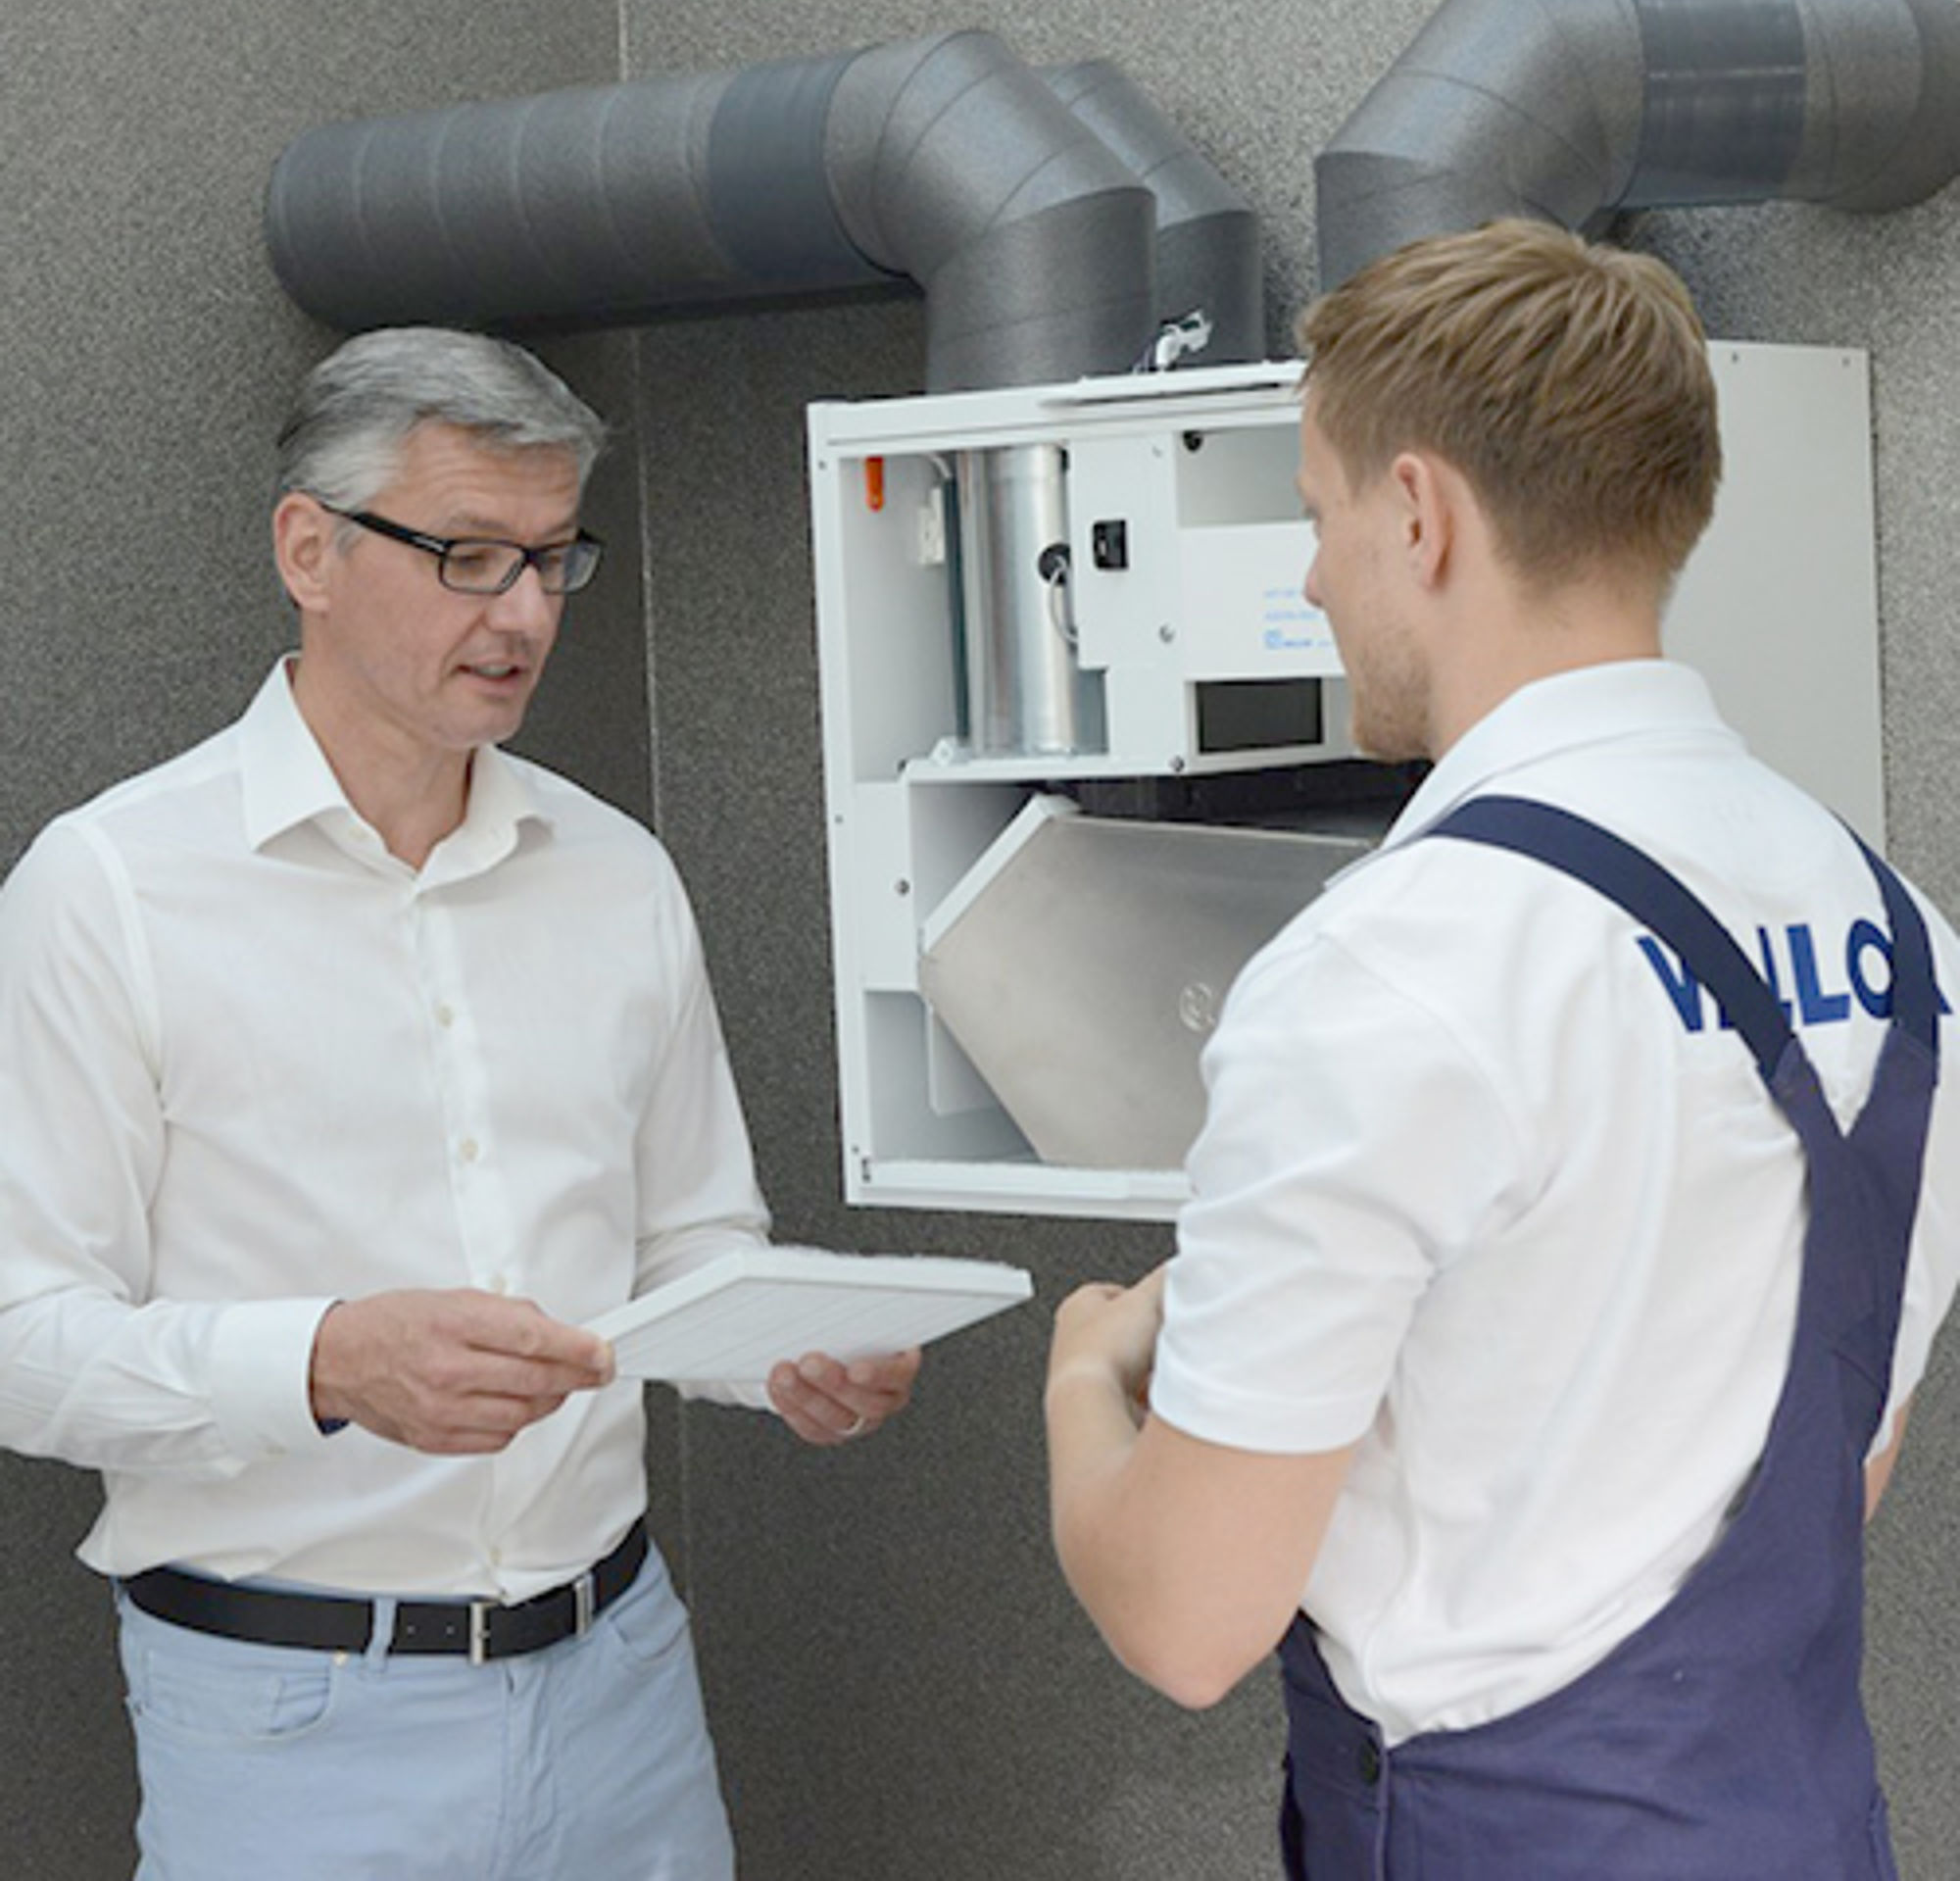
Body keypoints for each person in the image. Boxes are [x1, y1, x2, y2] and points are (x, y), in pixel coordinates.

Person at [1044, 219, 1960, 1878]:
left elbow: (1186, 1619)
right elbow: (1829, 1461)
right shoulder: (1909, 939)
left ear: (1419, 515)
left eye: (1317, 516)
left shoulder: (1386, 971)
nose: (1312, 580)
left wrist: (1080, 1377)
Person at [0, 326, 918, 1879]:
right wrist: (326, 1364)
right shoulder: (107, 891)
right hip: (290, 1725)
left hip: (623, 1683)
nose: (525, 614)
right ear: (309, 550)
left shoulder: (620, 874)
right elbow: (21, 1344)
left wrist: (781, 1349)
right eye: (469, 557)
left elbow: (690, 1241)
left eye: (553, 561)